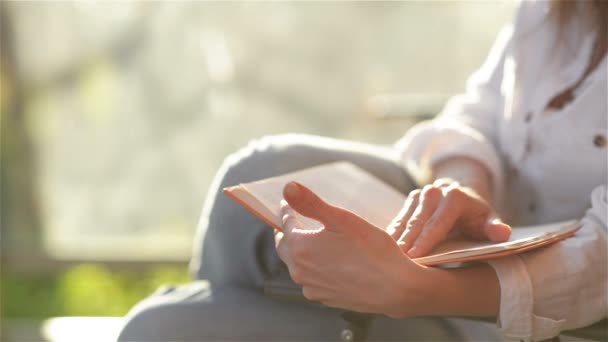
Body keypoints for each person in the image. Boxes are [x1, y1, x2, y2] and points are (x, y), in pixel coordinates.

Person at [117, 1, 607, 341]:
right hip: (467, 259)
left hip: (532, 319)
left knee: (154, 330)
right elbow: (476, 113)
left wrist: (417, 291)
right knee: (254, 172)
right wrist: (459, 193)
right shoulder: (550, 11)